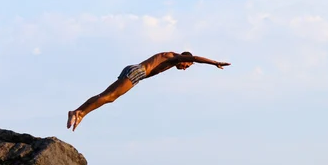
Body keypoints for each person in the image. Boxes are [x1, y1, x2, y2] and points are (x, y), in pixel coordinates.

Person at [67, 51, 230, 131]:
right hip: (139, 72)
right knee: (110, 97)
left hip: (133, 68)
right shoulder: (176, 56)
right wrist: (214, 62)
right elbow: (194, 58)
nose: (184, 68)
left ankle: (77, 111)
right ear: (185, 60)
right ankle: (81, 114)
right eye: (186, 66)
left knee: (105, 95)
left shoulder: (169, 57)